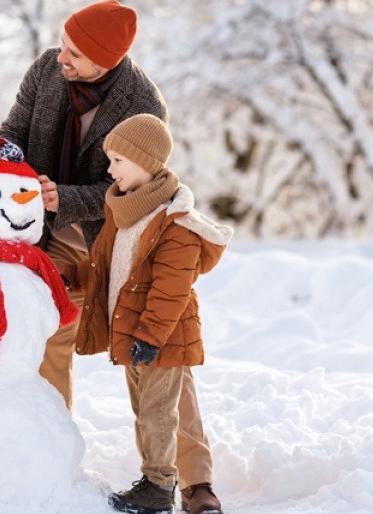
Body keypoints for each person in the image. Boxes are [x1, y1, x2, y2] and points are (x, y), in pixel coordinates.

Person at [0, 2, 225, 513]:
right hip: (51, 232)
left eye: (75, 52)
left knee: (168, 355)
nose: (62, 56)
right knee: (47, 334)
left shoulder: (142, 104)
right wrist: (3, 162)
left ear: (106, 59)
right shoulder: (46, 69)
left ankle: (194, 480)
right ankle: (49, 458)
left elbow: (129, 186)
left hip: (121, 237)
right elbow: (14, 128)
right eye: (64, 43)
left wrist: (66, 197)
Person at [63, 114, 231, 514]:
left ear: (145, 161)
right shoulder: (124, 214)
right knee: (145, 412)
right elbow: (106, 267)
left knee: (157, 413)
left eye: (118, 159)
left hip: (159, 337)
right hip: (133, 333)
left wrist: (150, 335)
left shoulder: (176, 223)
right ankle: (154, 479)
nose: (109, 169)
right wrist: (71, 276)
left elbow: (170, 288)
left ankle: (159, 487)